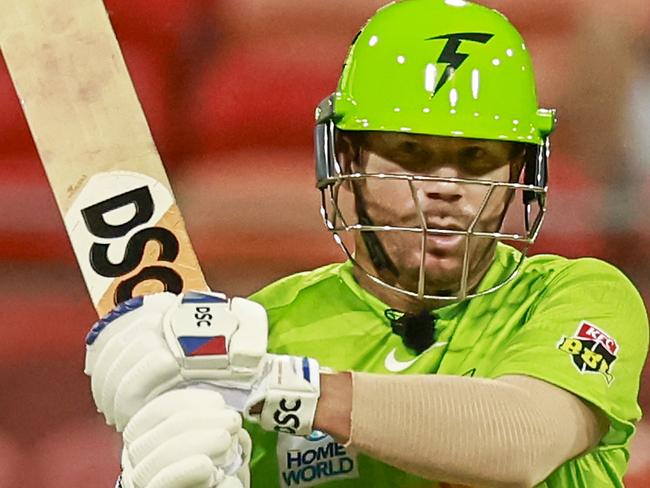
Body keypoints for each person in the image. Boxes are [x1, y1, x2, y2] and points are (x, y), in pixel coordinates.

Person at [85, 1, 649, 487]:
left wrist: (279, 387)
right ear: (348, 161)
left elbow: (525, 436)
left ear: (521, 168)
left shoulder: (579, 298)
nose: (444, 189)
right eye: (409, 153)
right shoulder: (267, 328)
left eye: (477, 159)